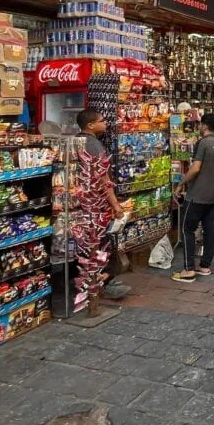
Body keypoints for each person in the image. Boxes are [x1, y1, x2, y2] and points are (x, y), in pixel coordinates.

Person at [76, 109, 128, 300]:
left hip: (81, 203)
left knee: (89, 244)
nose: (105, 123)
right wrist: (115, 204)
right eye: (102, 120)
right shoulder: (95, 146)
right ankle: (100, 283)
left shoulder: (75, 142)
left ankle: (97, 281)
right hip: (96, 205)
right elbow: (104, 179)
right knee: (100, 243)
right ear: (90, 125)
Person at [171, 113, 214, 283]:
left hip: (198, 195)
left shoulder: (203, 143)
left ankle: (188, 269)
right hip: (213, 194)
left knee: (187, 229)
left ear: (204, 126)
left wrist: (181, 184)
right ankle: (205, 265)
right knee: (208, 228)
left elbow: (195, 168)